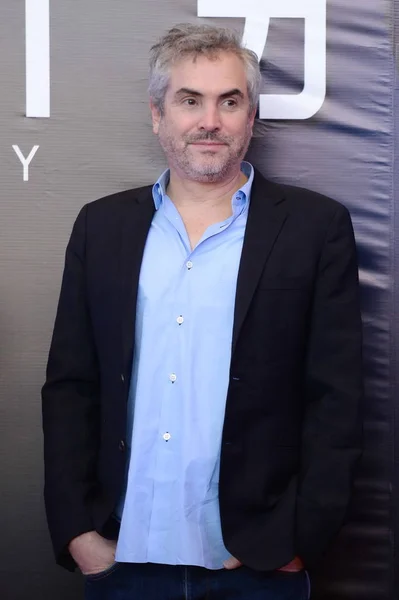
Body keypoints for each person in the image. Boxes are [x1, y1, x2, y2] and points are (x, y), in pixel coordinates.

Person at [42, 23, 363, 600]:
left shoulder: (316, 229)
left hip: (259, 565)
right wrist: (77, 532)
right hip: (123, 558)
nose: (209, 120)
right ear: (157, 112)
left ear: (252, 115)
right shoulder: (102, 226)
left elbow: (336, 397)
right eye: (190, 100)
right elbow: (71, 385)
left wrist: (298, 540)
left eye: (229, 101)